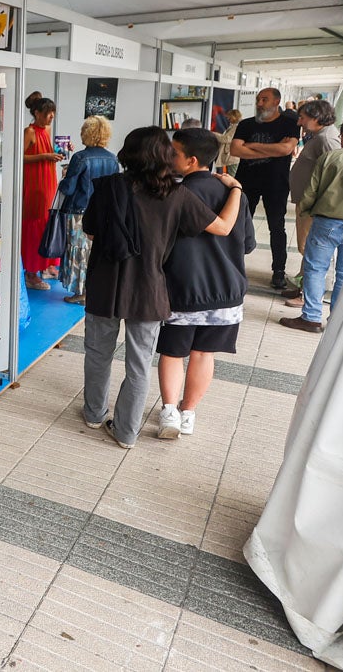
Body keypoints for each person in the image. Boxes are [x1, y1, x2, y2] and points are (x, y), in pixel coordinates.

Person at [82, 127, 244, 449]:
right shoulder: (177, 195)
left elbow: (90, 233)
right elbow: (223, 227)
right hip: (148, 288)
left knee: (98, 354)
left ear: (127, 153)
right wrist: (236, 188)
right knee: (139, 363)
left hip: (104, 284)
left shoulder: (108, 188)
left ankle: (94, 413)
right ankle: (126, 433)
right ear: (163, 157)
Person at [156, 129, 256, 440]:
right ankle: (188, 414)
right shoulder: (233, 194)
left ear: (192, 161)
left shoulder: (173, 195)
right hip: (226, 290)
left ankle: (169, 411)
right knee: (203, 353)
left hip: (183, 288)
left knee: (173, 352)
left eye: (174, 152)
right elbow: (248, 244)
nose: (169, 157)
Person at [280, 115, 343, 333]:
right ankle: (337, 320)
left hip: (327, 223)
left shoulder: (330, 158)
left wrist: (307, 210)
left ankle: (311, 317)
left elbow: (311, 191)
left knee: (315, 269)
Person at [230, 88, 300, 289]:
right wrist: (274, 149)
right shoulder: (246, 124)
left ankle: (279, 270)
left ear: (277, 101)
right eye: (258, 100)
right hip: (246, 182)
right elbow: (235, 149)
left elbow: (287, 149)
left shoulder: (289, 124)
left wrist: (251, 146)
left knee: (276, 228)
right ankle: (233, 265)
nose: (259, 103)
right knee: (238, 226)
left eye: (264, 99)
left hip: (276, 184)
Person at [55, 115, 120, 305]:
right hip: (103, 212)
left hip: (79, 211)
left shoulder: (80, 157)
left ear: (87, 133)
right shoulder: (113, 159)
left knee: (78, 252)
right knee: (94, 252)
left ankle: (81, 292)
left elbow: (68, 188)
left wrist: (65, 176)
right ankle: (94, 289)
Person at [283, 99, 340, 303]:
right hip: (307, 202)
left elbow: (334, 174)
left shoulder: (327, 140)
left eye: (303, 118)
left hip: (312, 205)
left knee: (309, 248)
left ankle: (307, 295)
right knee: (306, 247)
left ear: (316, 118)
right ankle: (301, 287)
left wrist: (316, 203)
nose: (299, 122)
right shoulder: (319, 136)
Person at [22, 95, 63, 290]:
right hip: (35, 182)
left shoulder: (45, 130)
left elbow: (48, 149)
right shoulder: (29, 132)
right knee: (35, 222)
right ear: (37, 113)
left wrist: (60, 150)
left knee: (47, 221)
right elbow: (19, 157)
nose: (51, 116)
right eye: (48, 113)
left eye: (52, 113)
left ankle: (46, 265)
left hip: (47, 179)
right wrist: (44, 156)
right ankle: (31, 272)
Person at [217, 109, 243, 176]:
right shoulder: (234, 126)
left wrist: (214, 134)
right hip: (231, 156)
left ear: (234, 116)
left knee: (232, 176)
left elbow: (226, 139)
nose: (228, 119)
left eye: (229, 117)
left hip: (231, 157)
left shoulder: (236, 127)